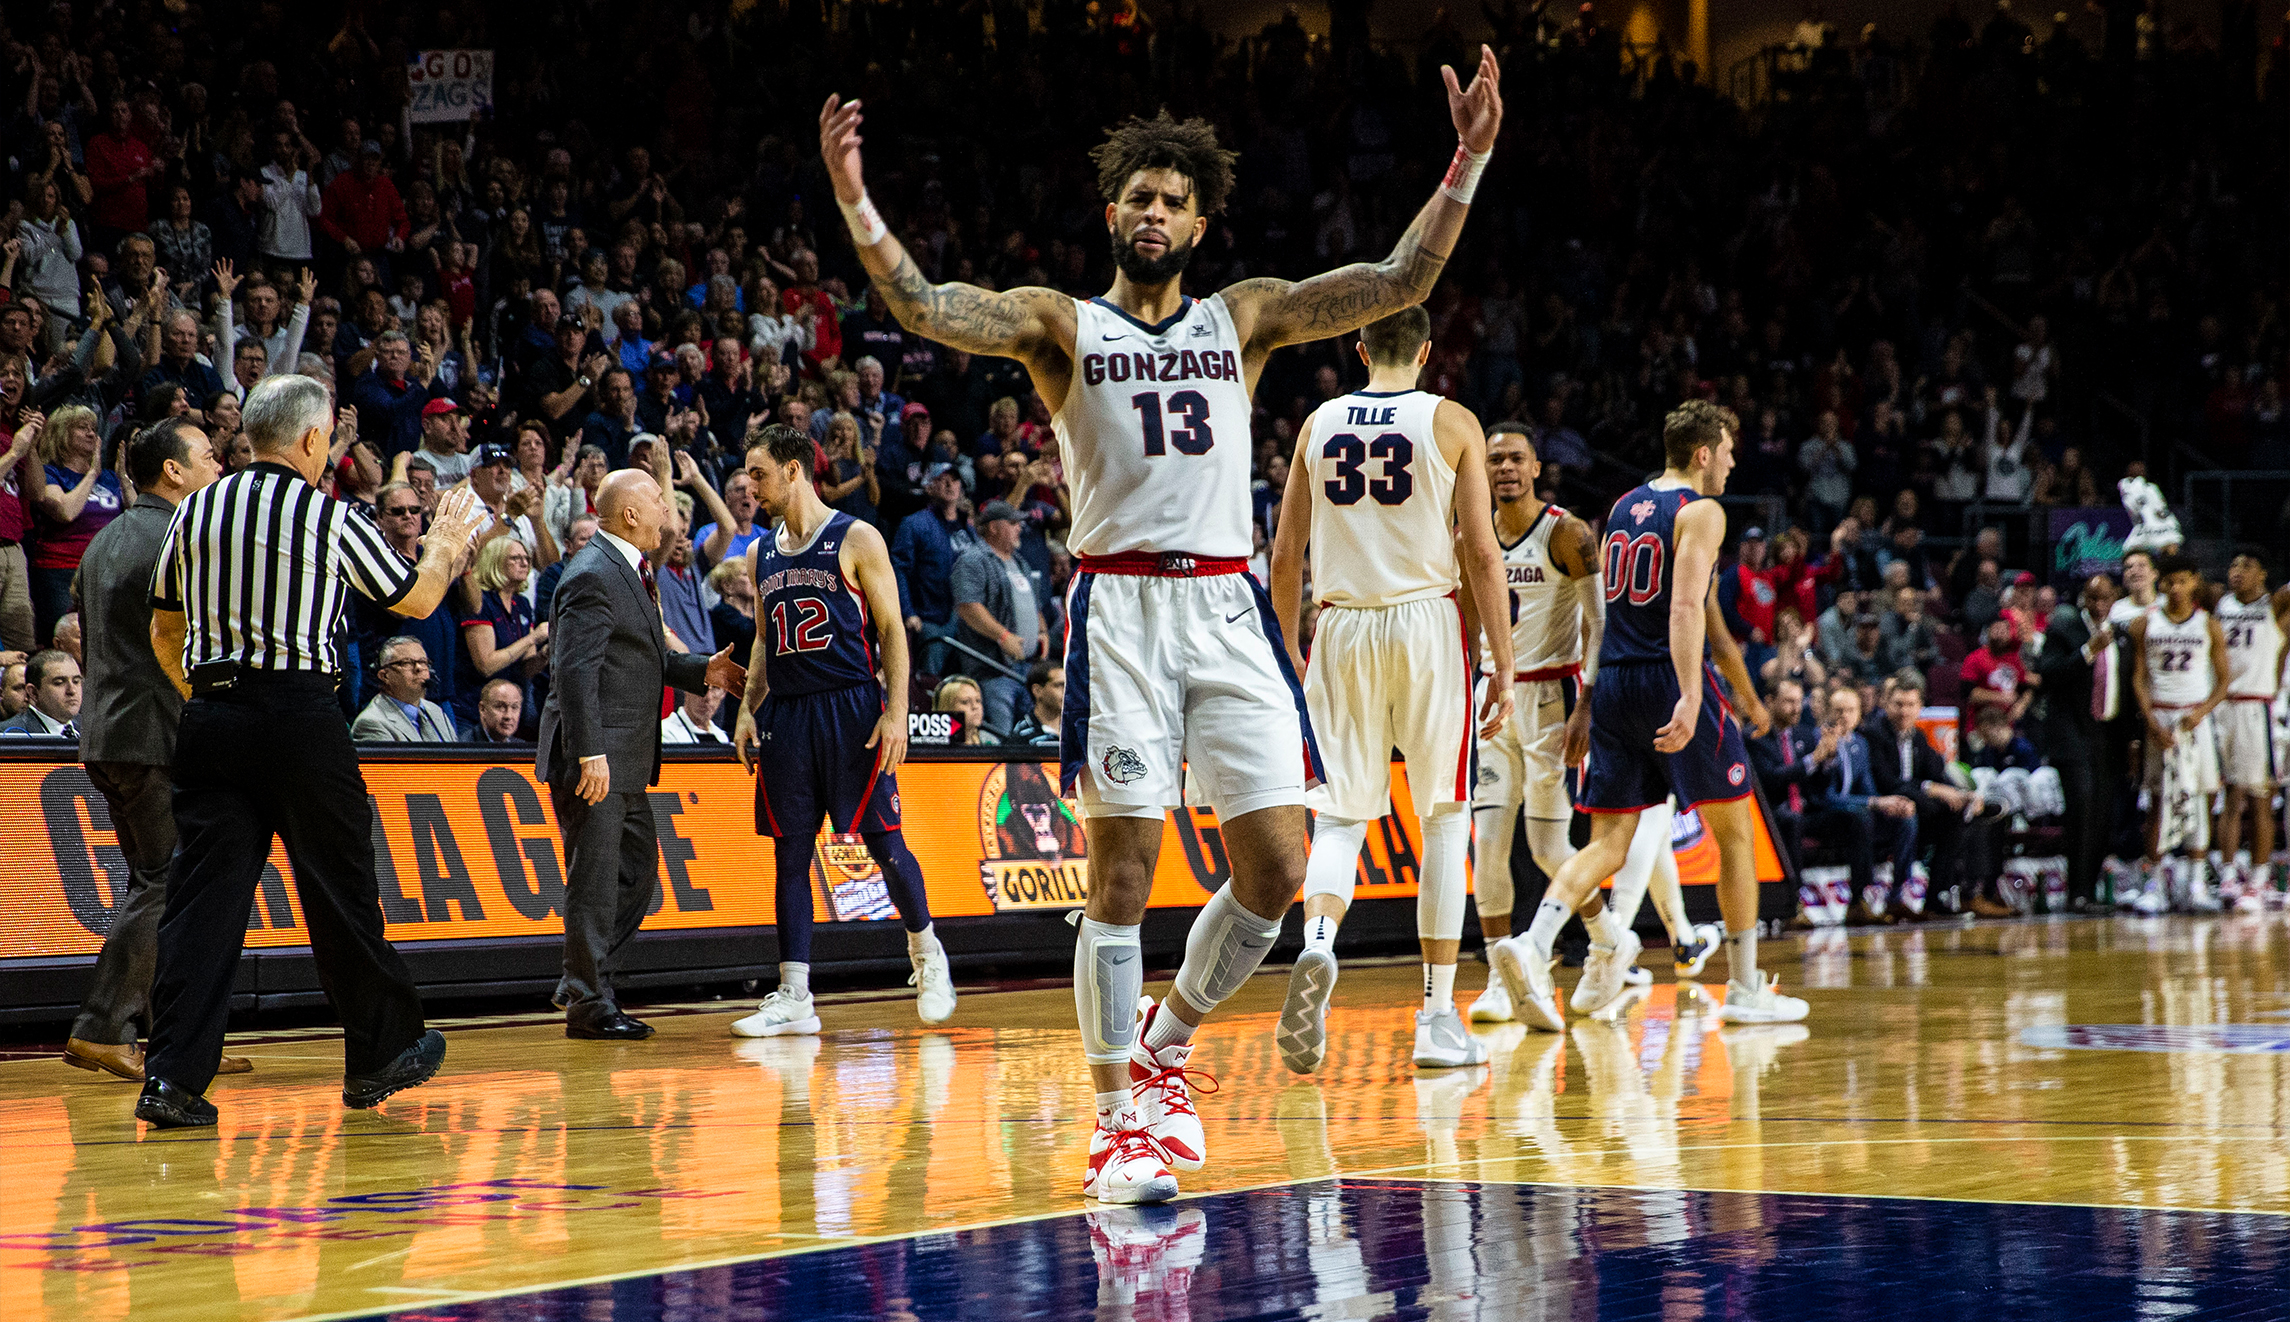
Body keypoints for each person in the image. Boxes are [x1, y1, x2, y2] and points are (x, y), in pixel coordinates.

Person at [822, 49, 1502, 1204]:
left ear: (1199, 221)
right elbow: (926, 307)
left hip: (1230, 601)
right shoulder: (1060, 325)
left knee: (1281, 866)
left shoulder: (1245, 318)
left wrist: (1470, 156)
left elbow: (1393, 280)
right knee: (1123, 873)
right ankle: (1111, 1122)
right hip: (1123, 603)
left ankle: (1167, 1036)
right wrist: (853, 196)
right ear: (1112, 213)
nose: (1153, 210)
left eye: (1172, 198)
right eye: (1137, 195)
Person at [136, 374, 487, 1128]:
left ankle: (170, 1079)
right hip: (298, 714)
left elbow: (164, 629)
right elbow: (416, 600)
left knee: (202, 905)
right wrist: (451, 541)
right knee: (340, 886)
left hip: (212, 714)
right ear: (312, 440)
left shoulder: (194, 510)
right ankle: (380, 1053)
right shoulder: (324, 514)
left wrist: (204, 699)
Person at [1486, 400, 1805, 1032]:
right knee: (1735, 835)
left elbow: (1698, 612)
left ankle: (1532, 944)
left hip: (1613, 686)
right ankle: (1744, 989)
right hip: (1666, 675)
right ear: (1704, 453)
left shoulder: (1624, 507)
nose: (1734, 464)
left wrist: (1744, 693)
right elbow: (1686, 608)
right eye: (1730, 451)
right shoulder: (1702, 511)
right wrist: (1694, 695)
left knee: (1608, 845)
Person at [1264, 304, 1512, 1074]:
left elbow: (1283, 554)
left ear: (1361, 346)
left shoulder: (1318, 423)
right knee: (1442, 817)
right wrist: (1500, 656)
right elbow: (1480, 550)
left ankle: (1317, 945)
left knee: (1339, 818)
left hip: (1338, 624)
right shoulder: (1454, 422)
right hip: (1426, 624)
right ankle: (1437, 1016)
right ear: (1430, 351)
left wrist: (1285, 650)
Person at [728, 425, 952, 1036]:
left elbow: (893, 631)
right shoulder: (759, 553)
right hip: (790, 715)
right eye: (748, 475)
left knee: (885, 844)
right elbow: (763, 640)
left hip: (853, 709)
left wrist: (896, 710)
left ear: (795, 469)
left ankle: (928, 955)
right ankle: (795, 993)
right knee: (790, 854)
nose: (751, 486)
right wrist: (749, 706)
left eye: (759, 473)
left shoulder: (856, 537)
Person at [535, 467, 745, 1041]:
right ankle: (588, 1000)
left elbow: (639, 658)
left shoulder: (631, 571)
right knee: (596, 881)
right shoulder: (593, 574)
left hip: (622, 757)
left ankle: (584, 980)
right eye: (658, 500)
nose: (668, 514)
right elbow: (574, 673)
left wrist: (704, 670)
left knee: (637, 873)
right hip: (597, 758)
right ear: (629, 514)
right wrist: (589, 754)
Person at [61, 419, 234, 1080]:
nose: (217, 466)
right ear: (173, 471)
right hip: (156, 735)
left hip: (104, 730)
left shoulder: (102, 539)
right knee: (167, 881)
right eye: (207, 457)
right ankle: (103, 1026)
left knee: (152, 878)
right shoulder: (179, 537)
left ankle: (172, 1041)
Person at [1455, 422, 1598, 1025]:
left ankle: (1610, 942)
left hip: (1553, 700)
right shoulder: (1470, 536)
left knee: (1548, 850)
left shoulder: (1567, 533)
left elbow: (1601, 625)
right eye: (1494, 460)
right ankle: (1499, 978)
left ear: (1537, 467)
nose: (1505, 468)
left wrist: (1588, 707)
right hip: (1493, 703)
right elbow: (1464, 625)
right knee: (1488, 848)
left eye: (1516, 458)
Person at [2125, 553, 2230, 913]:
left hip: (2194, 721)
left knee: (2199, 802)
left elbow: (2224, 680)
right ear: (2161, 583)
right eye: (2169, 581)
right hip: (2161, 721)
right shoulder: (2145, 623)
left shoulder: (2209, 624)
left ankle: (2198, 884)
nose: (2176, 587)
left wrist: (2201, 712)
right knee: (2158, 803)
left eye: (2182, 580)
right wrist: (2151, 722)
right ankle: (2154, 883)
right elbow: (2138, 677)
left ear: (2194, 581)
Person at [2032, 575, 2123, 907]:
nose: (2099, 605)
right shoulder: (2064, 631)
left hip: (2108, 734)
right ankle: (2077, 891)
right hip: (2071, 732)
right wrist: (2088, 650)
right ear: (2083, 599)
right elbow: (2049, 675)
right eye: (2092, 598)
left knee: (2103, 812)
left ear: (2115, 598)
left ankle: (2093, 887)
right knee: (2082, 805)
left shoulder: (2123, 633)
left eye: (2105, 599)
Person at [1864, 671, 1982, 918]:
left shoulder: (1917, 736)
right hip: (1883, 812)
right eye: (1898, 704)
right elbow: (1888, 783)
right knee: (1925, 812)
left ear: (1920, 707)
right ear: (1886, 704)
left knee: (1957, 814)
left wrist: (1966, 796)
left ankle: (1940, 897)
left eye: (1910, 705)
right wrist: (1934, 790)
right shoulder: (1874, 734)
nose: (1904, 711)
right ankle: (1897, 897)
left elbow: (1939, 775)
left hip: (1917, 810)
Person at [1806, 685, 1924, 923]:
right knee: (1861, 816)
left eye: (1850, 710)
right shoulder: (1817, 739)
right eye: (1838, 710)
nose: (1844, 716)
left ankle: (1897, 896)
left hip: (1855, 813)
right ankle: (1858, 901)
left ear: (1859, 714)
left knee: (1905, 818)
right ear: (1827, 711)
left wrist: (1887, 804)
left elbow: (1867, 789)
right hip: (1824, 814)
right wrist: (1875, 802)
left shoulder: (1860, 743)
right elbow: (1827, 797)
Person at [2213, 546, 2289, 900]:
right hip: (2221, 707)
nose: (2237, 570)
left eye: (2247, 565)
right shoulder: (2220, 603)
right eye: (2233, 563)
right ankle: (2227, 876)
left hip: (2258, 709)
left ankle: (2259, 880)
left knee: (2260, 798)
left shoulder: (2274, 608)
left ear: (2263, 575)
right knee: (2230, 797)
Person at [951, 500, 1048, 736]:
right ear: (993, 527)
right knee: (1002, 736)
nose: (1020, 528)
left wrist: (1042, 632)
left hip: (1026, 669)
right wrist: (1003, 636)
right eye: (1013, 523)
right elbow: (967, 606)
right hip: (993, 670)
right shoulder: (973, 560)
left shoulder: (1020, 562)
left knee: (1028, 737)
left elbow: (1033, 606)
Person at [889, 463, 973, 676]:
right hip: (929, 618)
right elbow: (898, 570)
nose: (949, 484)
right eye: (941, 479)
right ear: (929, 486)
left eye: (954, 479)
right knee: (930, 681)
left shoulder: (968, 529)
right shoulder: (914, 524)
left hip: (964, 620)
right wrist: (908, 612)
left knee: (964, 680)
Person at [1750, 677, 1831, 876]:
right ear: (1769, 701)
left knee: (1857, 818)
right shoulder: (1754, 736)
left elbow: (1820, 784)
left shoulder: (1805, 734)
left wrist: (1828, 760)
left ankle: (1859, 896)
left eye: (1799, 702)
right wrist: (1813, 760)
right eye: (1789, 702)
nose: (1796, 709)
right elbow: (1771, 778)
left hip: (1808, 809)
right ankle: (1795, 895)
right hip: (1775, 811)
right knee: (1792, 820)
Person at [350, 636, 458, 742]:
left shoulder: (436, 712)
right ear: (385, 676)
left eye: (423, 662)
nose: (418, 668)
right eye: (406, 663)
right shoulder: (371, 723)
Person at [0, 647, 81, 737]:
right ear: (33, 692)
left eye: (76, 681)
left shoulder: (92, 727)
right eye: (59, 683)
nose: (72, 691)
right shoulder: (7, 734)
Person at [1007, 661, 1064, 747]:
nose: (1067, 692)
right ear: (1037, 691)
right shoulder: (1022, 736)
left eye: (1069, 686)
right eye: (1059, 685)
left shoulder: (1079, 729)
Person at [468, 676, 527, 745]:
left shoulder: (520, 746)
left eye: (514, 707)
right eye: (500, 707)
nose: (508, 716)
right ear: (482, 709)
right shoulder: (465, 747)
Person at [661, 686, 727, 743]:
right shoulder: (665, 733)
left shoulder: (721, 737)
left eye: (715, 688)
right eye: (701, 686)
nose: (708, 697)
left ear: (724, 693)